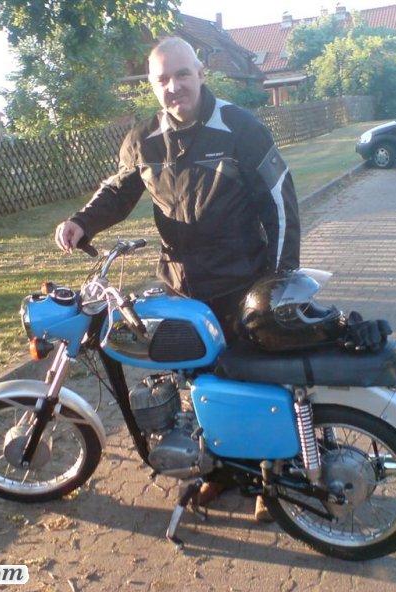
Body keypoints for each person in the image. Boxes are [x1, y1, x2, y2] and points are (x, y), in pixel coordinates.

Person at [55, 37, 300, 521]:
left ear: (201, 73)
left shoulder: (241, 128)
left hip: (241, 281)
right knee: (200, 383)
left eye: (182, 74)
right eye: (162, 79)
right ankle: (221, 471)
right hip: (181, 286)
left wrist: (277, 281)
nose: (173, 87)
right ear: (152, 85)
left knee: (256, 379)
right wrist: (82, 222)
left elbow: (280, 204)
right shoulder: (143, 138)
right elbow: (119, 190)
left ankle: (272, 477)